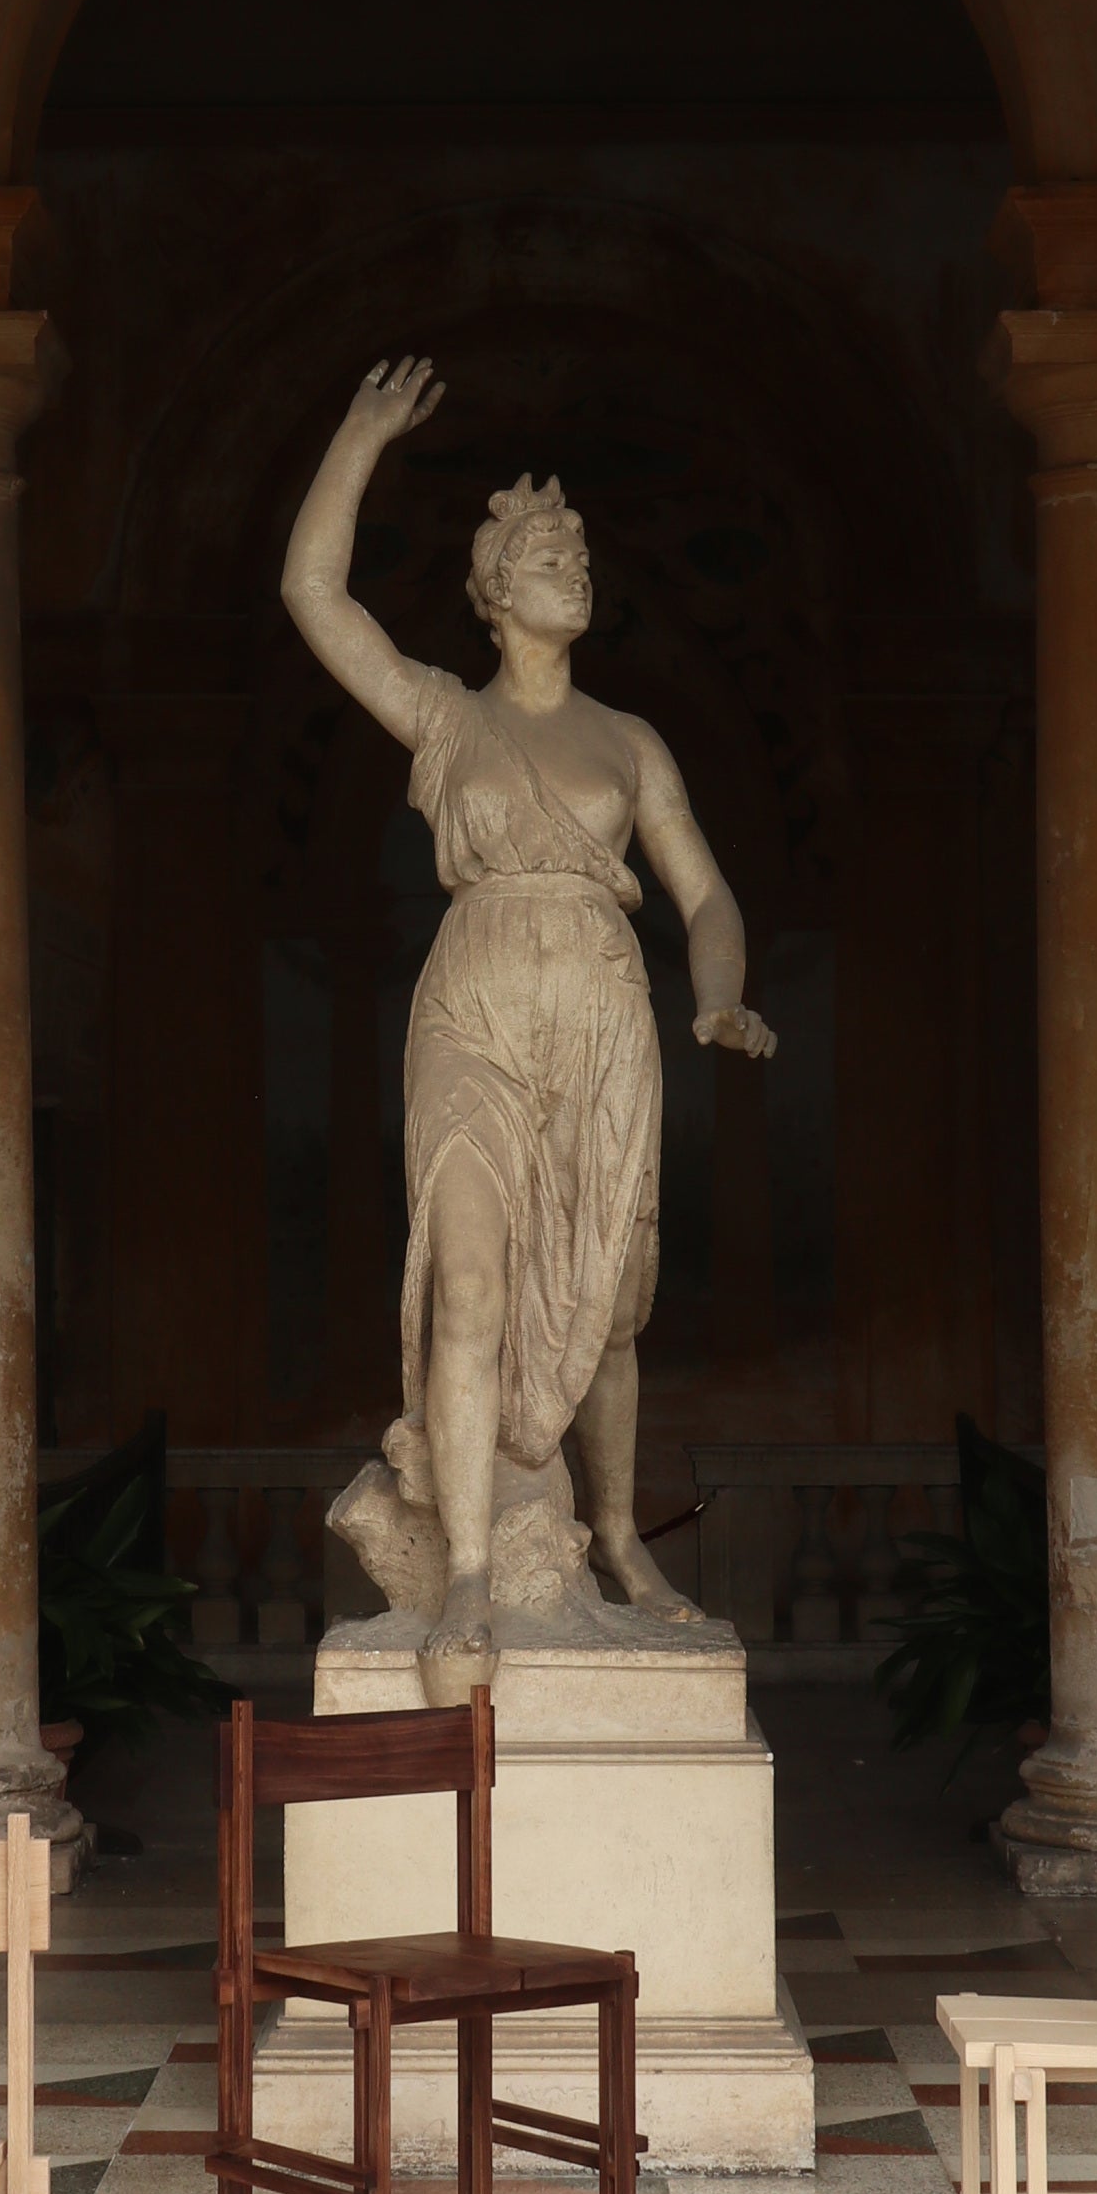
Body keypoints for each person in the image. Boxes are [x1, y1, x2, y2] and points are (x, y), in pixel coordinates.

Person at [281, 355, 774, 1678]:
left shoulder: (632, 742)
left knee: (603, 1307)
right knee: (471, 1275)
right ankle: (471, 1577)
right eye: (547, 551)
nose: (575, 565)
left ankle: (616, 1535)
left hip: (606, 1016)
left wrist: (719, 997)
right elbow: (314, 597)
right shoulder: (445, 716)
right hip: (478, 1004)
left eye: (580, 548)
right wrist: (360, 431)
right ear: (497, 591)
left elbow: (708, 893)